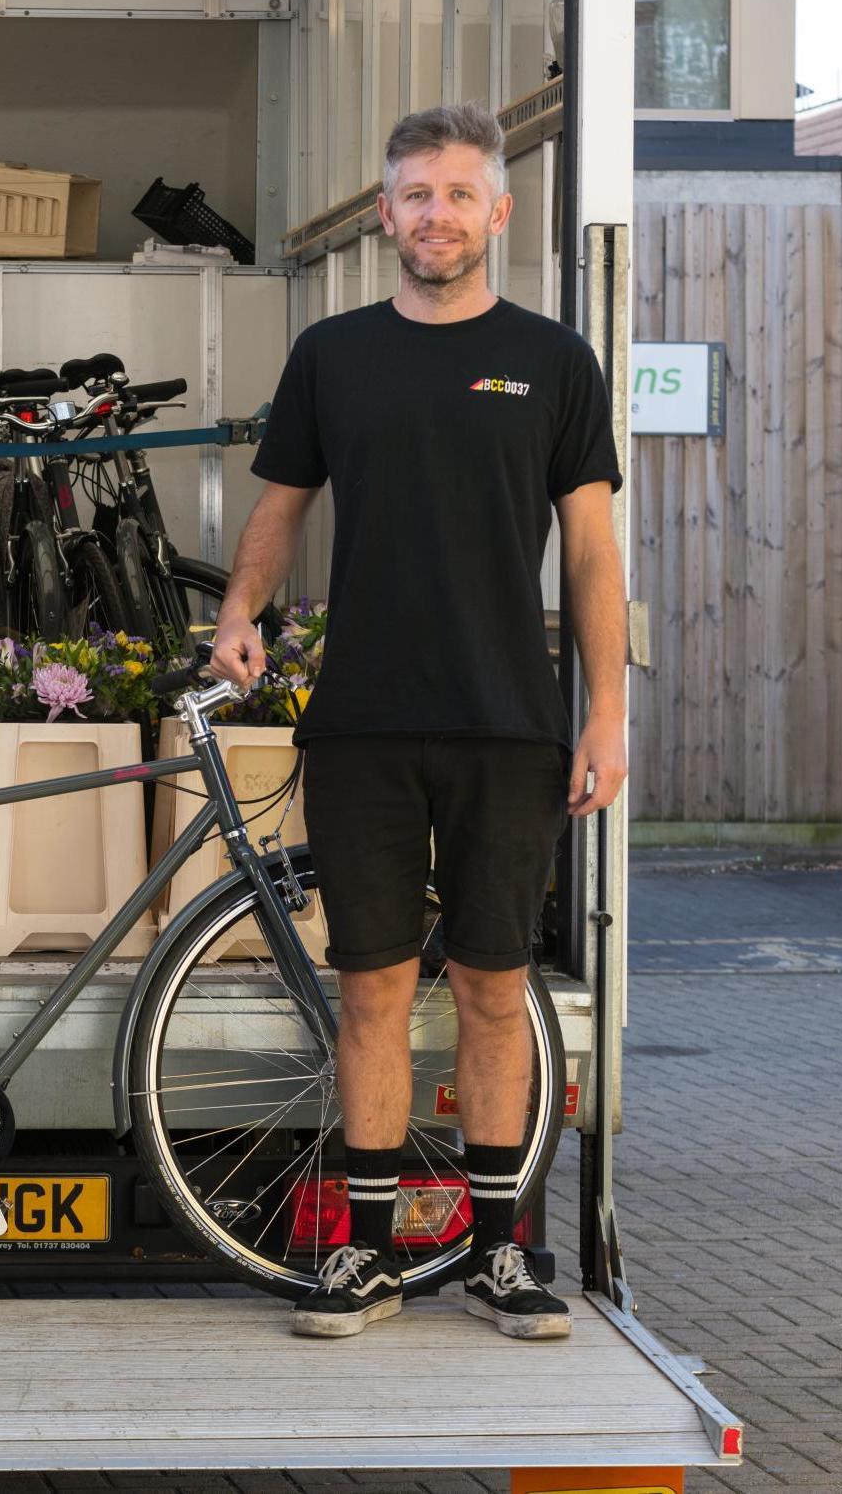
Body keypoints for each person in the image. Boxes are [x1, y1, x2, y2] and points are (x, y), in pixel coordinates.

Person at [209, 102, 626, 1341]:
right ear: (383, 214)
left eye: (457, 193)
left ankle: (499, 1256)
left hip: (508, 724)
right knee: (372, 989)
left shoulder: (552, 360)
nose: (434, 214)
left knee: (496, 988)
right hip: (364, 724)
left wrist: (605, 712)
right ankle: (368, 1258)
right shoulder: (332, 355)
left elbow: (593, 554)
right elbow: (280, 504)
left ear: (497, 211)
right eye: (413, 194)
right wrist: (239, 610)